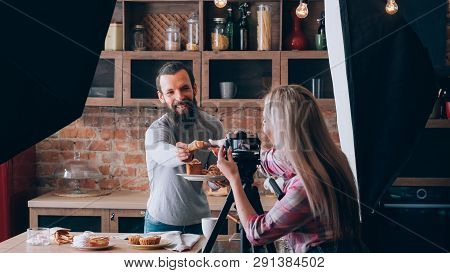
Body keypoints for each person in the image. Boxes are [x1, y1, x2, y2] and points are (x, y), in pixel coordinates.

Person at [216, 85, 365, 252]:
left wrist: (234, 180)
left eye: (266, 120)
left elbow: (257, 233)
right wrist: (239, 149)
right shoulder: (331, 158)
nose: (264, 128)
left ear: (282, 129)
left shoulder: (307, 185)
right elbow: (272, 159)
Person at [144, 62, 224, 234]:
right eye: (170, 92)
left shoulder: (213, 126)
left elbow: (211, 176)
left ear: (194, 88)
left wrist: (219, 179)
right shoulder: (157, 129)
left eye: (184, 88)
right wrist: (179, 153)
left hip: (200, 220)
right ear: (161, 97)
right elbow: (159, 151)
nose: (180, 97)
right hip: (161, 221)